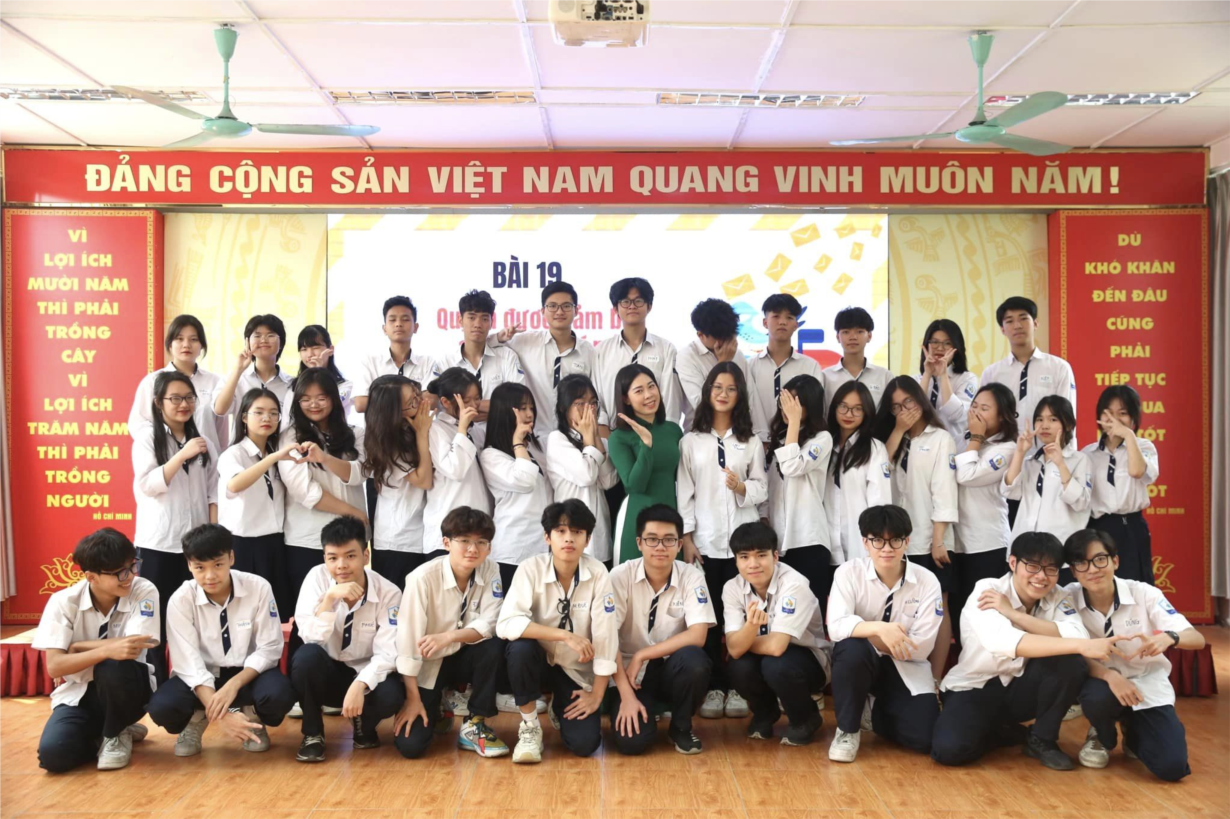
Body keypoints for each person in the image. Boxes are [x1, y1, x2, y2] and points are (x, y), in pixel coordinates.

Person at [932, 531, 1128, 770]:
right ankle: (998, 729)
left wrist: (1014, 614)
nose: (1042, 577)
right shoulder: (989, 590)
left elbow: (1077, 634)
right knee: (949, 751)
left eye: (1051, 569)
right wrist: (1078, 644)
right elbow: (1003, 642)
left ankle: (1042, 739)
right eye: (1033, 566)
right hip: (976, 686)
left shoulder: (1059, 596)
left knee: (1071, 660)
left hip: (1022, 688)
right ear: (1013, 563)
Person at [1064, 529, 1203, 780]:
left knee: (1171, 766)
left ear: (1115, 561)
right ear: (1073, 571)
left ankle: (1133, 731)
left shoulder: (1144, 593)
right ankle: (1102, 734)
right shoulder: (1067, 598)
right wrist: (1110, 676)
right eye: (1082, 563)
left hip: (1145, 684)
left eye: (1100, 559)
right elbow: (1069, 649)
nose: (1092, 569)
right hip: (1099, 682)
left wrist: (1170, 637)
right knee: (1097, 696)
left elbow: (1197, 639)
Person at [147, 524, 294, 757]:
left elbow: (269, 647)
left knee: (279, 695)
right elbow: (188, 662)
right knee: (162, 707)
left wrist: (233, 685)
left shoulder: (258, 587)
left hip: (248, 675)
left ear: (231, 558)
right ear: (189, 565)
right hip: (202, 678)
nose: (210, 576)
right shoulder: (181, 599)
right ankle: (197, 718)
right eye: (200, 567)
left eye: (217, 564)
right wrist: (222, 716)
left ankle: (252, 717)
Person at [678, 361, 768, 720]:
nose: (723, 394)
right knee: (711, 617)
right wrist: (687, 537)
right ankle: (715, 687)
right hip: (705, 543)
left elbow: (762, 489)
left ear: (740, 395)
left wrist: (741, 487)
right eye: (717, 387)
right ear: (707, 392)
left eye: (731, 388)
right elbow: (684, 492)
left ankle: (738, 687)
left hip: (743, 549)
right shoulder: (690, 441)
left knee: (743, 616)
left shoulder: (750, 441)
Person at [497, 499, 618, 764]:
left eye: (577, 532)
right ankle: (530, 727)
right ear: (547, 537)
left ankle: (559, 705)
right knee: (519, 648)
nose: (568, 539)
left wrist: (597, 695)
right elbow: (506, 624)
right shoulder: (530, 568)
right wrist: (564, 635)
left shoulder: (598, 572)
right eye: (560, 531)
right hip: (537, 661)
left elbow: (607, 636)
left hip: (575, 669)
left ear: (587, 539)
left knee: (585, 745)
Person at [34, 528, 159, 772]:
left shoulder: (143, 590)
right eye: (120, 572)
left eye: (132, 566)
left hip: (129, 689)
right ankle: (107, 733)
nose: (130, 576)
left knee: (114, 666)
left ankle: (115, 732)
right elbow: (55, 667)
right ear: (91, 577)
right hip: (79, 694)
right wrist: (106, 650)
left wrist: (77, 647)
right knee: (53, 756)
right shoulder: (62, 602)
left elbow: (133, 647)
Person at [826, 505, 943, 763]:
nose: (887, 549)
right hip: (860, 661)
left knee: (925, 738)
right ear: (865, 542)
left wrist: (867, 633)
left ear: (907, 542)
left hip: (906, 667)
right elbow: (835, 627)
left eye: (895, 540)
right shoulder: (848, 573)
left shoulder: (927, 581)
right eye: (878, 540)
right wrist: (881, 629)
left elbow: (921, 647)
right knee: (851, 648)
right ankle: (847, 729)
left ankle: (871, 711)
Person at [392, 507, 510, 759]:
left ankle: (474, 723)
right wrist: (412, 699)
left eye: (481, 542)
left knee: (494, 645)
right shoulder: (421, 578)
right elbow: (407, 643)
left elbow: (491, 622)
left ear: (489, 547)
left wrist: (449, 636)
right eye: (464, 540)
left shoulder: (491, 569)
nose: (473, 549)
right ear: (446, 543)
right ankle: (437, 703)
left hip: (464, 655)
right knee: (411, 747)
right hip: (428, 663)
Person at [290, 515, 405, 763]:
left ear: (366, 555)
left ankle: (364, 723)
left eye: (350, 556)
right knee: (306, 657)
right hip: (328, 672)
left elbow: (388, 653)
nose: (341, 565)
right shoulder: (316, 578)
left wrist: (360, 684)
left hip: (365, 674)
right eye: (333, 558)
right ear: (325, 558)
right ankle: (312, 734)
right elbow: (310, 636)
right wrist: (329, 600)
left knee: (392, 694)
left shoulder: (389, 592)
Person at [608, 504, 714, 755]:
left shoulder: (691, 576)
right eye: (652, 539)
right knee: (632, 744)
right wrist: (626, 695)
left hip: (671, 669)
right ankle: (640, 708)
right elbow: (606, 638)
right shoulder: (619, 576)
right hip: (629, 675)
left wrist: (643, 654)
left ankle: (680, 727)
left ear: (679, 545)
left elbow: (698, 635)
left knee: (695, 660)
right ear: (639, 543)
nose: (660, 547)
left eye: (669, 540)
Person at [133, 370, 218, 682]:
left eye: (189, 398)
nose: (184, 404)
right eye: (175, 398)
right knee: (154, 620)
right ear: (158, 403)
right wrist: (182, 454)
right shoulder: (147, 439)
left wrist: (213, 536)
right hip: (158, 543)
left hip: (196, 547)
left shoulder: (203, 442)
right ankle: (154, 686)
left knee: (198, 617)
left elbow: (214, 491)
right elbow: (148, 485)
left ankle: (196, 683)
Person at [874, 376, 958, 681]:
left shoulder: (940, 439)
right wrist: (898, 430)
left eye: (908, 401)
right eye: (896, 407)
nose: (904, 410)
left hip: (930, 538)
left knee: (938, 606)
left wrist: (938, 540)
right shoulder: (890, 440)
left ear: (921, 400)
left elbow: (944, 491)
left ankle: (934, 679)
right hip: (895, 541)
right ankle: (901, 679)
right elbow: (879, 468)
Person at [722, 522, 831, 746]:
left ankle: (805, 718)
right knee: (738, 665)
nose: (753, 564)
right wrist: (749, 628)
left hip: (808, 660)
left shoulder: (794, 584)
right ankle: (765, 713)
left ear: (775, 556)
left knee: (776, 664)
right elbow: (733, 650)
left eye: (761, 555)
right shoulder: (732, 588)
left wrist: (743, 641)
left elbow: (776, 646)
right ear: (736, 561)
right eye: (744, 557)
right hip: (769, 657)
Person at [278, 368, 368, 629]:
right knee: (309, 617)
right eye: (305, 399)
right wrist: (352, 513)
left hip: (350, 540)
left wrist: (325, 458)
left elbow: (360, 473)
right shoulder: (291, 437)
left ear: (334, 398)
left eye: (321, 397)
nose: (313, 404)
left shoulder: (355, 433)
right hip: (308, 539)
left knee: (353, 612)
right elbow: (304, 491)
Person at [216, 387, 298, 614]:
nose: (267, 418)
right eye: (259, 412)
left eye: (273, 413)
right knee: (243, 612)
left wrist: (274, 455)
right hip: (243, 545)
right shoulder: (234, 454)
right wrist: (273, 458)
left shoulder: (276, 452)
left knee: (272, 614)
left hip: (275, 543)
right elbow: (235, 484)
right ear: (244, 417)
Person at [951, 383, 1019, 644]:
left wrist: (976, 439)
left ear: (1002, 416)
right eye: (974, 406)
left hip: (987, 544)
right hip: (957, 542)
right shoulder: (963, 439)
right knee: (958, 612)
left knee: (985, 616)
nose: (976, 413)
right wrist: (973, 439)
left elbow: (966, 475)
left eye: (985, 408)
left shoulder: (1006, 449)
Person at [490, 281, 596, 438]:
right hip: (533, 437)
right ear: (542, 311)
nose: (559, 311)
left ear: (576, 310)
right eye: (552, 306)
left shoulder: (588, 352)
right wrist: (500, 337)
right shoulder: (526, 342)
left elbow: (594, 398)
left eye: (566, 306)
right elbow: (485, 346)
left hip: (573, 438)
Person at [767, 374, 834, 608]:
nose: (789, 408)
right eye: (785, 401)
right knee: (782, 610)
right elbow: (770, 486)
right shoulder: (778, 438)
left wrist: (794, 421)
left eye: (796, 403)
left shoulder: (822, 438)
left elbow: (792, 467)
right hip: (778, 539)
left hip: (808, 537)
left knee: (811, 611)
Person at [362, 374, 434, 588]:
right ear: (394, 413)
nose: (420, 402)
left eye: (417, 394)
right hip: (398, 540)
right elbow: (423, 480)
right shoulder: (387, 441)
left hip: (417, 534)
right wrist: (422, 434)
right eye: (412, 402)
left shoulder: (408, 428)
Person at [980, 296, 1077, 456]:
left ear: (1036, 323)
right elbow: (984, 420)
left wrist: (1067, 459)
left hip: (1047, 456)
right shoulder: (992, 373)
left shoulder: (1059, 368)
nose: (1017, 325)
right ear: (1002, 329)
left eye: (1023, 318)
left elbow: (1067, 419)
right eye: (1009, 321)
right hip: (1004, 457)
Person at [1082, 385, 1160, 584]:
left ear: (1133, 418)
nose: (1114, 419)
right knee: (1100, 585)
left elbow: (1137, 471)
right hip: (1098, 527)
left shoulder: (1144, 446)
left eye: (1122, 413)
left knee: (1135, 586)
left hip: (1131, 527)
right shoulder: (1087, 453)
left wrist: (1128, 436)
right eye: (1108, 413)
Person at [481, 383, 555, 589]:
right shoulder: (491, 455)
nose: (529, 413)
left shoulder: (538, 446)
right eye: (522, 408)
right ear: (505, 411)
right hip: (513, 548)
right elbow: (525, 480)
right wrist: (518, 442)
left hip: (543, 546)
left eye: (531, 407)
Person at [607, 364, 684, 564]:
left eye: (651, 386)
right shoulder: (619, 437)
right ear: (626, 399)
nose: (648, 395)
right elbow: (634, 485)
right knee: (633, 580)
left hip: (672, 517)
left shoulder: (673, 430)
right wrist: (646, 445)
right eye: (639, 391)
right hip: (637, 519)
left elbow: (683, 479)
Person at [543, 374, 620, 566]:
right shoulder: (557, 439)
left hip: (599, 534)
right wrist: (589, 439)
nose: (589, 409)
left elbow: (608, 481)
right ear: (564, 408)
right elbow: (587, 475)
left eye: (593, 403)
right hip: (569, 535)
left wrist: (595, 438)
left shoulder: (599, 441)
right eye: (580, 403)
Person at [1002, 395, 1092, 547]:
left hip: (1060, 546)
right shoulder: (1030, 461)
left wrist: (1060, 464)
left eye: (1053, 419)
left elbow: (1081, 503)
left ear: (1068, 424)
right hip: (1024, 546)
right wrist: (1020, 452)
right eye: (1039, 419)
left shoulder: (1079, 459)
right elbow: (1009, 491)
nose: (1044, 426)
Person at [593, 277, 681, 432]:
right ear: (615, 308)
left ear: (649, 306)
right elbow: (596, 395)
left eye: (638, 301)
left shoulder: (666, 349)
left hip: (655, 433)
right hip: (614, 434)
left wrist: (664, 434)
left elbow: (670, 399)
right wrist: (604, 431)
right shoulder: (601, 350)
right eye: (625, 301)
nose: (632, 306)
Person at [128, 313, 224, 451]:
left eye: (193, 339)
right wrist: (165, 444)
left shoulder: (215, 382)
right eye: (179, 339)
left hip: (207, 457)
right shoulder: (153, 381)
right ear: (170, 345)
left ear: (202, 345)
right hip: (167, 457)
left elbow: (221, 430)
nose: (186, 345)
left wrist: (219, 457)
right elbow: (139, 424)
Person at [431, 289, 525, 428]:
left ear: (491, 322)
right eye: (471, 317)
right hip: (457, 436)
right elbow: (440, 406)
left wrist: (468, 407)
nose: (478, 324)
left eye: (484, 319)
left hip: (500, 435)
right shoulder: (445, 363)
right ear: (460, 321)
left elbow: (519, 401)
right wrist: (498, 409)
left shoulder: (507, 357)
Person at [676, 298, 769, 439]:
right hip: (701, 437)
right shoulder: (686, 356)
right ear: (701, 335)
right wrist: (723, 364)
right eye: (719, 337)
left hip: (739, 435)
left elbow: (751, 397)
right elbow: (701, 403)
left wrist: (762, 436)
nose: (726, 341)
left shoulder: (737, 354)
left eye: (728, 335)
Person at [825, 381, 892, 570]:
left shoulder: (874, 448)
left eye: (857, 409)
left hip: (859, 545)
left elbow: (880, 499)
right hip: (826, 543)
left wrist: (876, 541)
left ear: (866, 412)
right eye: (843, 407)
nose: (849, 414)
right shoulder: (824, 445)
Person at [748, 293, 823, 443]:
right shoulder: (749, 366)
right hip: (755, 444)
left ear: (796, 325)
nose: (782, 322)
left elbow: (816, 410)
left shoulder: (810, 366)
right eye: (776, 316)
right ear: (765, 322)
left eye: (789, 317)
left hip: (799, 444)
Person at [352, 295, 436, 414]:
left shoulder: (427, 362)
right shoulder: (370, 362)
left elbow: (430, 401)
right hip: (379, 427)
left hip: (416, 427)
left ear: (415, 327)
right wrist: (410, 401)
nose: (398, 324)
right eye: (392, 320)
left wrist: (382, 400)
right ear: (384, 328)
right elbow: (361, 404)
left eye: (405, 319)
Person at [213, 313, 295, 420]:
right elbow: (219, 410)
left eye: (270, 335)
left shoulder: (291, 384)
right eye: (257, 336)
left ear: (281, 343)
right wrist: (238, 370)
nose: (264, 340)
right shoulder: (235, 378)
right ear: (247, 342)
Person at [916, 319, 979, 444]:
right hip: (920, 446)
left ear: (956, 347)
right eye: (935, 342)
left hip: (954, 448)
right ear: (926, 345)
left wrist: (943, 374)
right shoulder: (916, 380)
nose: (940, 348)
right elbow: (913, 413)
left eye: (947, 343)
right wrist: (927, 374)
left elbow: (956, 415)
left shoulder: (967, 379)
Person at [821, 306, 893, 417]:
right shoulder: (825, 376)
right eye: (846, 332)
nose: (853, 337)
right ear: (838, 337)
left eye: (859, 332)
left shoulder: (884, 376)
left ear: (869, 336)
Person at [292, 324, 353, 420]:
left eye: (315, 347)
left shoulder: (345, 386)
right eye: (304, 349)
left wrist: (319, 374)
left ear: (330, 350)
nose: (310, 354)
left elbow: (331, 407)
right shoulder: (293, 386)